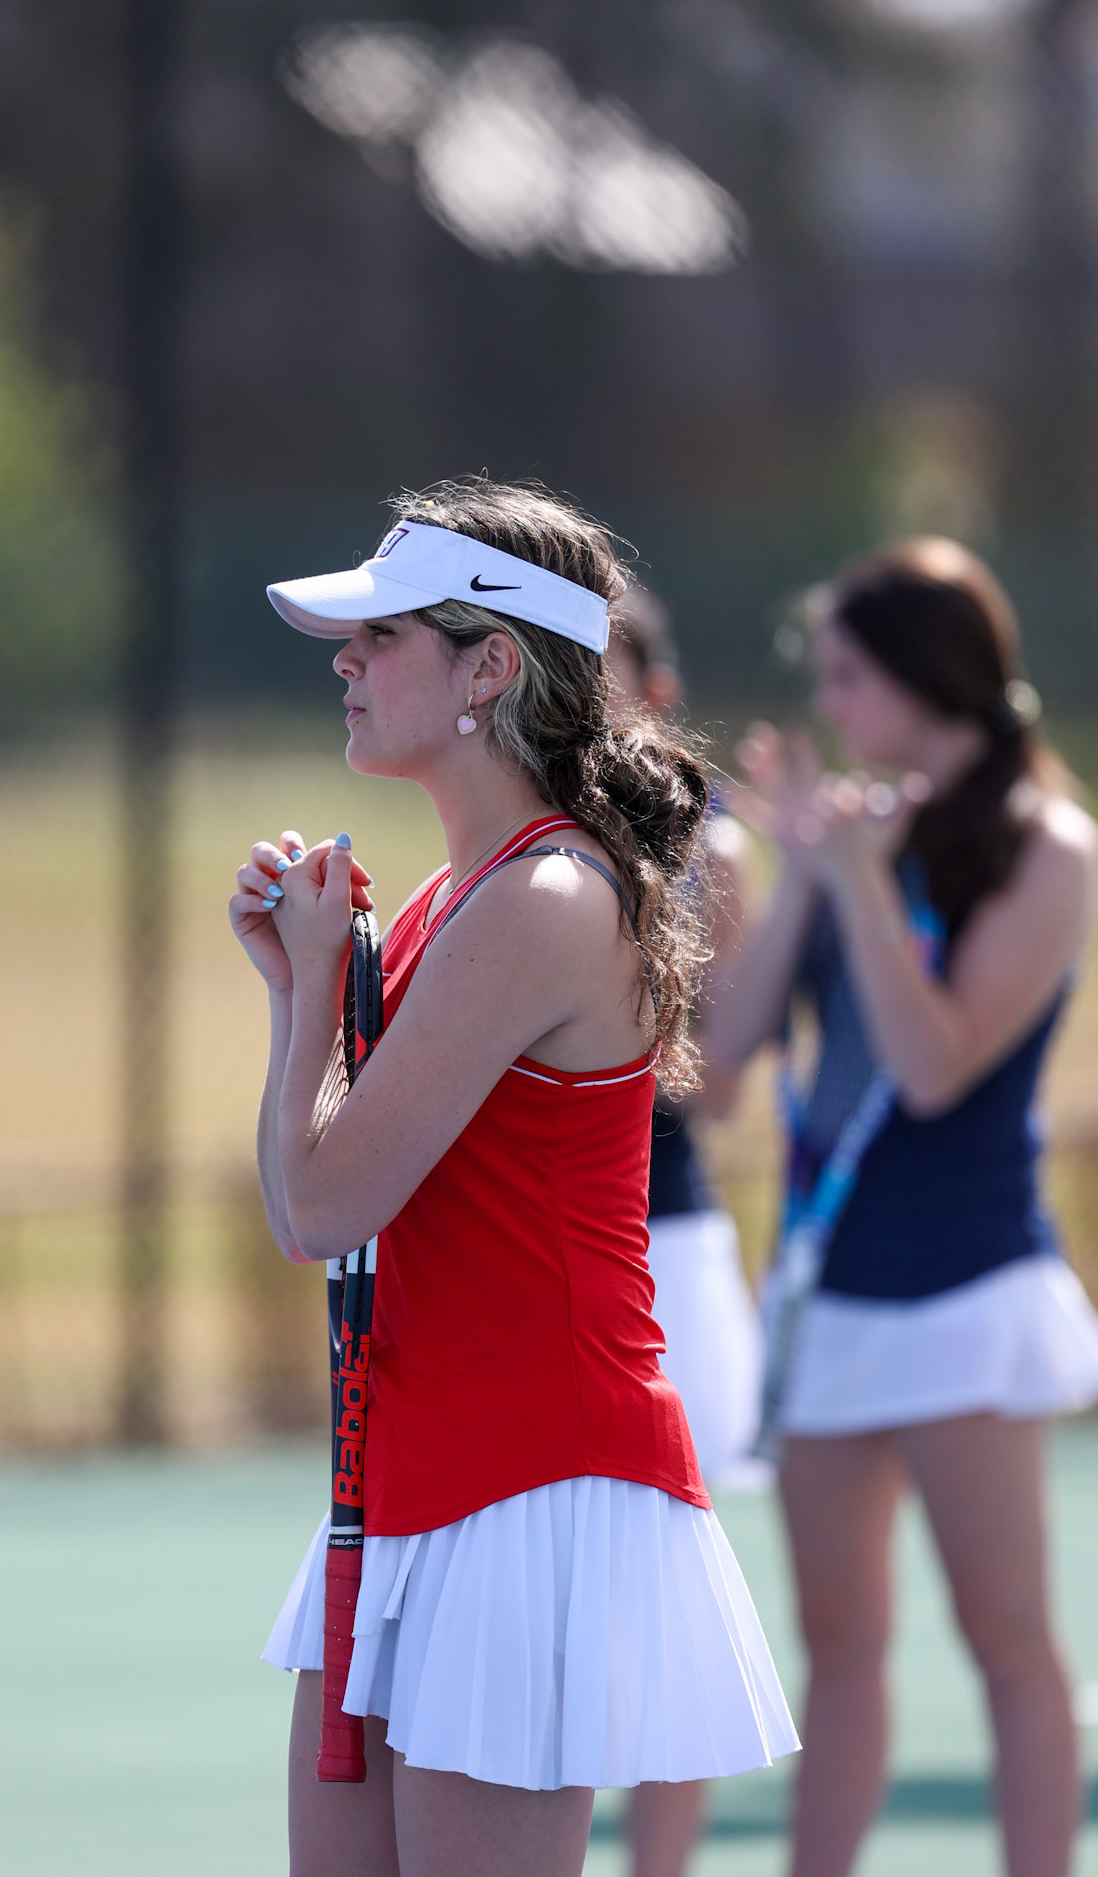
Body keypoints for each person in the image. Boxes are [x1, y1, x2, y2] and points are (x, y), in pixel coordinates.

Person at [229, 480, 797, 1877]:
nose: (346, 662)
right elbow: (317, 1205)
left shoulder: (545, 901)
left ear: (490, 667)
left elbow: (318, 1204)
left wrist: (312, 996)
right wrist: (294, 991)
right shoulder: (447, 899)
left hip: (530, 1483)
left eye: (383, 638)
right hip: (413, 1472)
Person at [706, 536, 1098, 1877]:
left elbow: (932, 1068)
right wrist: (798, 874)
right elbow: (717, 1064)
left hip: (966, 1291)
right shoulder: (850, 832)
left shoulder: (1049, 849)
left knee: (1004, 1641)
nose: (832, 711)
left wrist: (862, 887)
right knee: (837, 1650)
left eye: (850, 679)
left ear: (933, 679)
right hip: (831, 1296)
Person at [607, 587, 765, 1877]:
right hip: (552, 1252)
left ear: (655, 691)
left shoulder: (707, 856)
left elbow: (718, 1080)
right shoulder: (525, 843)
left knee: (666, 1611)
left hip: (668, 1248)